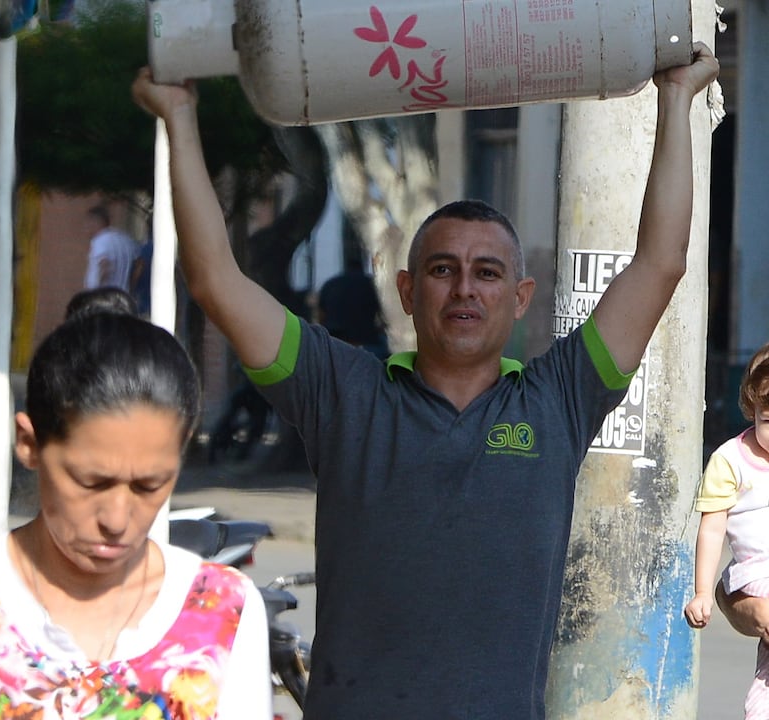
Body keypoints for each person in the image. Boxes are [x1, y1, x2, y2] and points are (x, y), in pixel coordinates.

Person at [132, 44, 718, 718]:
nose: (464, 288)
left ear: (520, 297)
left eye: (487, 273)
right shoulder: (343, 393)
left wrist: (677, 98)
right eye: (443, 269)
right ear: (408, 290)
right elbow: (217, 281)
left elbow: (660, 264)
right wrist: (178, 116)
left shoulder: (558, 399)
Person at [0, 307, 272, 719]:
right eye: (91, 483)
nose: (116, 519)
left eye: (149, 486)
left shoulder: (225, 610)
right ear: (28, 443)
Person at [686, 342, 769, 717]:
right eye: (768, 420)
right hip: (754, 573)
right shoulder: (730, 460)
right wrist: (703, 591)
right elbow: (712, 530)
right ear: (751, 408)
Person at [316, 252, 389, 359]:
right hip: (367, 340)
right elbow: (384, 317)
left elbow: (321, 317)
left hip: (335, 341)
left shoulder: (330, 284)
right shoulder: (371, 284)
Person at [83, 205, 140, 292]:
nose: (86, 227)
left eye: (89, 223)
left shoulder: (100, 240)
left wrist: (96, 292)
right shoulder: (125, 239)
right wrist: (131, 288)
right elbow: (139, 265)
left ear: (97, 222)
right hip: (123, 295)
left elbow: (105, 266)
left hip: (103, 296)